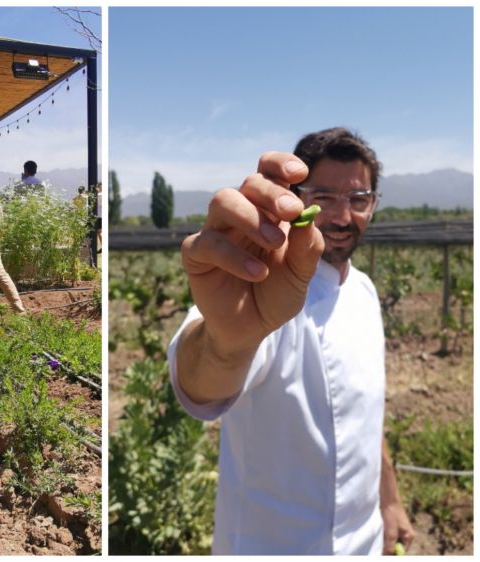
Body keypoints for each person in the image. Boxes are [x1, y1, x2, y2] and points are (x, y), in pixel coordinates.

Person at [168, 127, 414, 555]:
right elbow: (201, 385)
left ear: (373, 204)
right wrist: (226, 342)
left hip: (365, 543)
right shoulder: (265, 282)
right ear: (297, 199)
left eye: (358, 200)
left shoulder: (365, 292)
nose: (342, 217)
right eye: (325, 197)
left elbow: (365, 412)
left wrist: (389, 500)